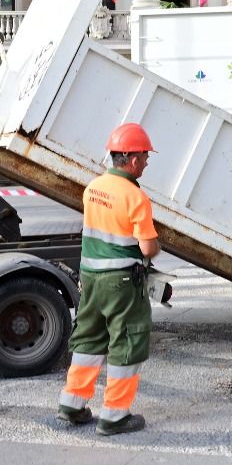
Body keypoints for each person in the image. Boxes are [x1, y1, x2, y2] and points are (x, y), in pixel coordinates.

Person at [59, 122, 159, 436]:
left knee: (88, 338)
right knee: (126, 341)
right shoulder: (135, 196)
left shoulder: (93, 188)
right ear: (131, 159)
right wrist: (155, 244)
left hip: (90, 278)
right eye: (144, 157)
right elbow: (148, 248)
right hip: (121, 283)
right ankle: (114, 415)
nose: (145, 162)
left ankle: (73, 404)